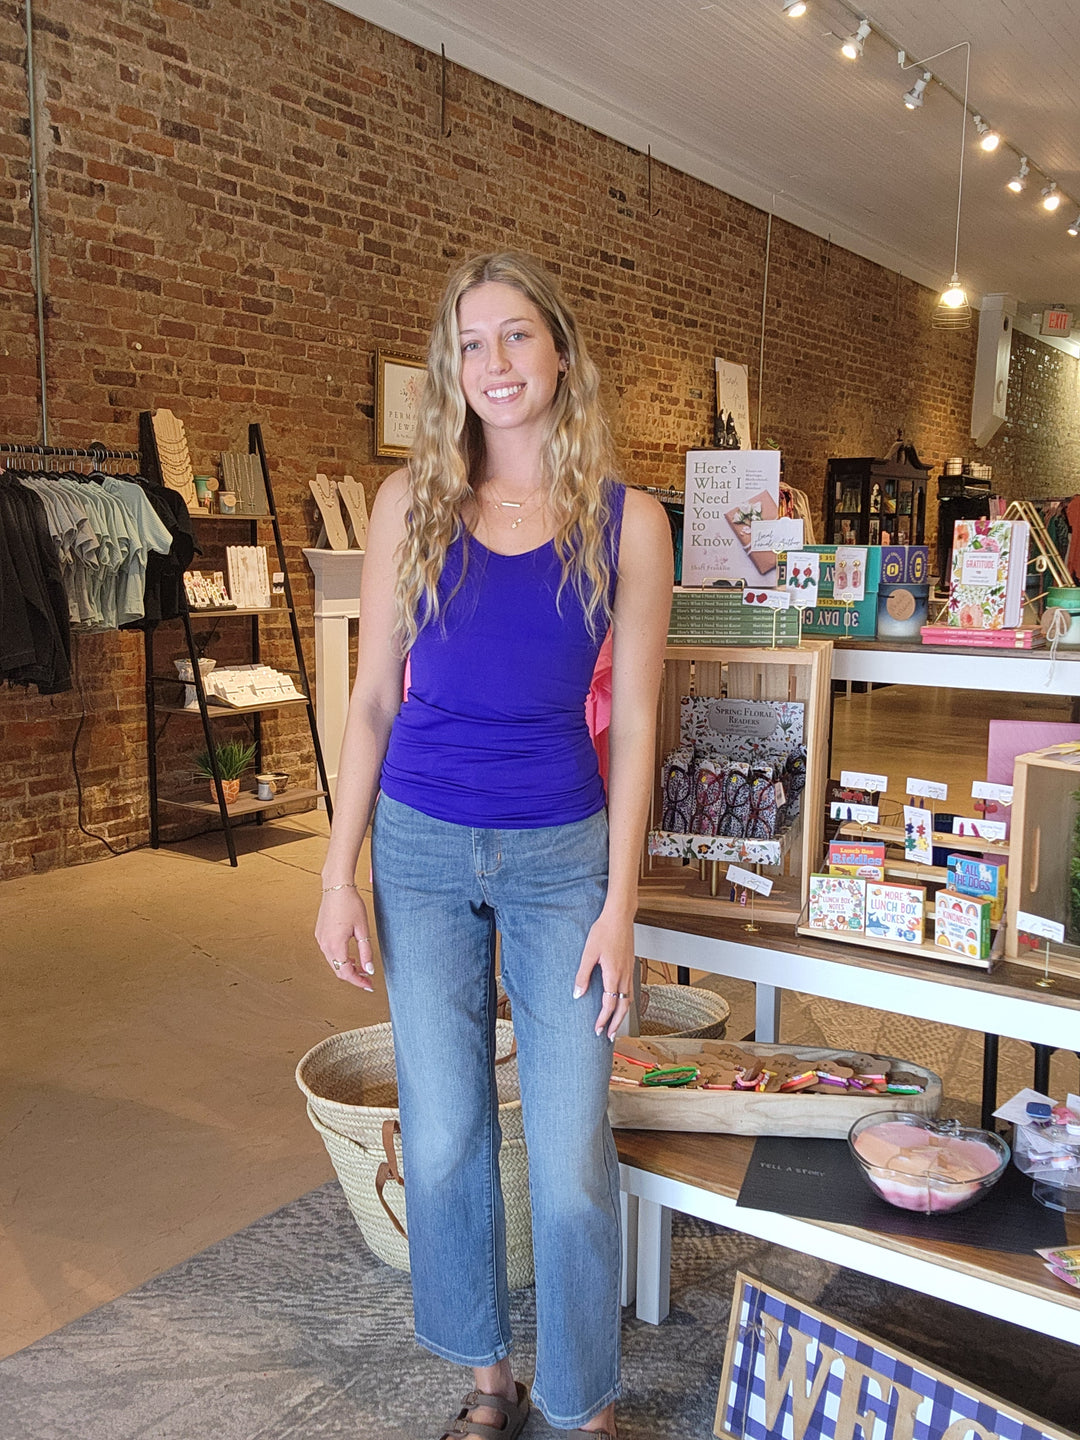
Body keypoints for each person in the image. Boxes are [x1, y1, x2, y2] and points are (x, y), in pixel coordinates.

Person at [315, 250, 672, 1440]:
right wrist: (335, 870)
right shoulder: (408, 505)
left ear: (559, 351)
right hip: (416, 848)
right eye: (472, 345)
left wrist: (623, 906)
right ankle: (486, 1376)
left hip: (562, 853)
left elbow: (634, 736)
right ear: (449, 370)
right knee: (451, 1124)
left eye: (515, 337)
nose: (496, 365)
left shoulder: (631, 523)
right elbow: (371, 701)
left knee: (572, 1143)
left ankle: (586, 1398)